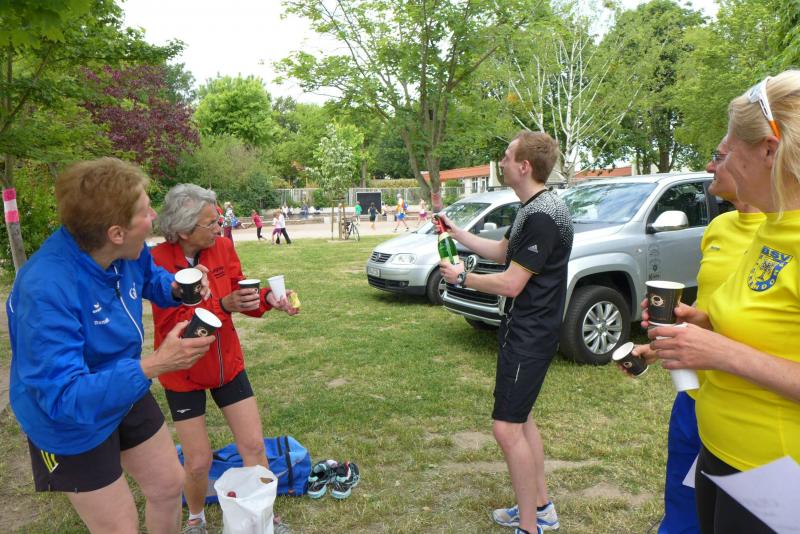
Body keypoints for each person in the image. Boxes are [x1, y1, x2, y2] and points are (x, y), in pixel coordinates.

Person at [7, 158, 215, 533]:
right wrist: (156, 364)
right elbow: (64, 396)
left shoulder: (127, 252)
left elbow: (150, 278)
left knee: (169, 484)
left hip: (123, 385)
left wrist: (176, 288)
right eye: (144, 211)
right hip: (68, 421)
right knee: (120, 526)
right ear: (116, 232)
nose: (154, 216)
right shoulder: (46, 288)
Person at [647, 71, 800, 533]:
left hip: (776, 474)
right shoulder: (773, 225)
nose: (720, 164)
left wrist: (720, 352)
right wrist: (702, 324)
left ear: (769, 151)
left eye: (728, 150)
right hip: (721, 453)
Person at [624, 137, 764, 534]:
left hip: (752, 417)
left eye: (719, 157)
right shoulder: (718, 227)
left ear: (761, 156)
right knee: (683, 510)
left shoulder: (782, 235)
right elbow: (714, 311)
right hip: (695, 400)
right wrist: (659, 345)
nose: (708, 166)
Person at [439, 131, 572, 534]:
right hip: (526, 329)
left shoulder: (543, 215)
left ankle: (530, 527)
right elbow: (502, 252)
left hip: (530, 333)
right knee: (521, 417)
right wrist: (458, 233)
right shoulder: (534, 207)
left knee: (506, 427)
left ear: (524, 166)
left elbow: (512, 283)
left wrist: (462, 277)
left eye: (507, 156)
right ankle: (541, 508)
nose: (502, 161)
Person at [150, 184, 299, 534]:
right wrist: (222, 305)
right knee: (198, 461)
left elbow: (238, 290)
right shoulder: (157, 262)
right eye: (211, 223)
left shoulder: (223, 246)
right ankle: (196, 519)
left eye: (218, 219)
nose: (220, 227)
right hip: (183, 373)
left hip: (227, 365)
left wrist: (267, 299)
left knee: (253, 446)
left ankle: (264, 519)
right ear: (185, 230)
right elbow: (174, 324)